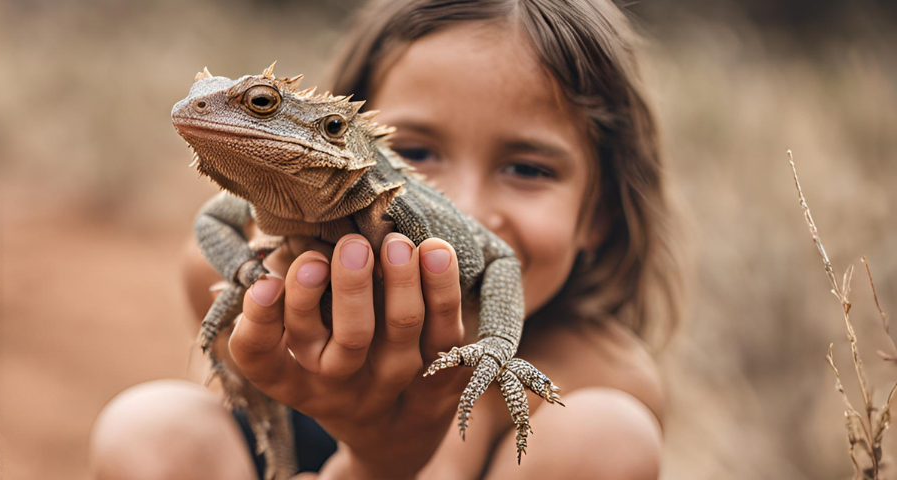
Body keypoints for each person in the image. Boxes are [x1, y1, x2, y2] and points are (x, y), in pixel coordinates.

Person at [89, 0, 683, 478]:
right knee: (149, 425)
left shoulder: (601, 369)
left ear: (598, 215)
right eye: (417, 152)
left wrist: (381, 457)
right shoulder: (257, 252)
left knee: (608, 434)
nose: (469, 208)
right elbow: (210, 250)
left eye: (528, 168)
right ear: (345, 136)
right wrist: (248, 273)